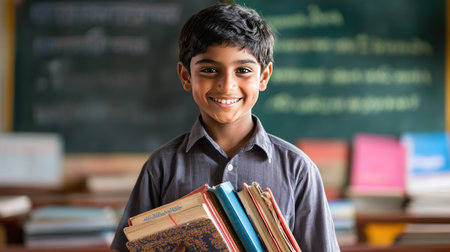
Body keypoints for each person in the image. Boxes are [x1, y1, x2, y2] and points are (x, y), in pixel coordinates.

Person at [110, 3, 339, 252]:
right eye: (209, 70)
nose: (226, 85)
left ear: (263, 77)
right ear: (186, 76)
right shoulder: (162, 167)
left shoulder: (297, 169)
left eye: (243, 70)